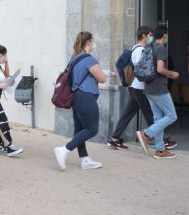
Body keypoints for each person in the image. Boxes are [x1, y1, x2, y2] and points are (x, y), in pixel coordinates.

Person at [108, 27, 178, 150]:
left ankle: (114, 139)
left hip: (135, 86)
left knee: (128, 114)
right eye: (150, 35)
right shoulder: (141, 50)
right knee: (151, 115)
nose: (151, 37)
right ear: (145, 36)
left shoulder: (135, 49)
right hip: (141, 87)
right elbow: (147, 69)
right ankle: (157, 140)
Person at [54, 31, 106, 171]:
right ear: (88, 42)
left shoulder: (74, 58)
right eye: (93, 41)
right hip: (87, 97)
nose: (94, 43)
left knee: (80, 130)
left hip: (76, 97)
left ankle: (85, 160)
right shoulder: (89, 59)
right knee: (91, 129)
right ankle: (64, 149)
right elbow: (102, 78)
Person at [136, 26, 179, 159]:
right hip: (159, 88)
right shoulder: (161, 49)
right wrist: (172, 73)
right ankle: (146, 134)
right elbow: (160, 69)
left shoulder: (150, 47)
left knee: (158, 119)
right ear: (165, 36)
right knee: (172, 115)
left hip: (148, 88)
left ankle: (160, 150)